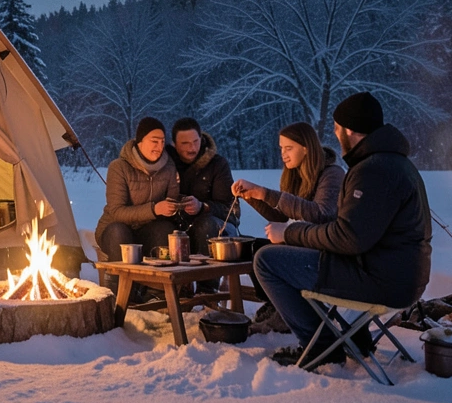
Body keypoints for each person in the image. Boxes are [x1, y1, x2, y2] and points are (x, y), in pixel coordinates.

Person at [252, 93, 432, 366]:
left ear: (349, 130)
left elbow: (348, 236)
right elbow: (361, 233)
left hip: (382, 281)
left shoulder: (372, 170)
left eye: (336, 128)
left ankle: (321, 346)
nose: (335, 135)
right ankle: (353, 335)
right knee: (285, 254)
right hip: (398, 276)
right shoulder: (394, 163)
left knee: (266, 260)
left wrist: (289, 233)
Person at [231, 122, 344, 331]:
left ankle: (287, 312)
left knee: (267, 254)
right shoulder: (294, 175)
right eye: (281, 148)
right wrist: (253, 197)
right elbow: (284, 217)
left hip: (323, 250)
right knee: (253, 247)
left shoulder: (332, 174)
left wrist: (265, 193)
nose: (283, 154)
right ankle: (276, 303)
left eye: (289, 148)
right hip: (300, 241)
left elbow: (321, 214)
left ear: (306, 148)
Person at [97, 118, 215, 293]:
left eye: (162, 142)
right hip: (115, 228)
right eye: (154, 141)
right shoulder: (119, 167)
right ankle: (121, 291)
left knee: (165, 229)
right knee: (118, 231)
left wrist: (180, 205)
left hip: (148, 229)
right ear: (140, 141)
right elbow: (116, 211)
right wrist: (154, 209)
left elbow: (172, 198)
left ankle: (159, 290)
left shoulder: (168, 167)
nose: (159, 147)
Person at [168, 117, 236, 235]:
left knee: (205, 226)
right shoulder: (166, 165)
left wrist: (202, 207)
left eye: (195, 141)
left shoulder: (217, 165)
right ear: (174, 144)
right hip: (176, 223)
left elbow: (230, 211)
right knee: (161, 229)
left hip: (216, 225)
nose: (192, 148)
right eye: (185, 143)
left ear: (201, 138)